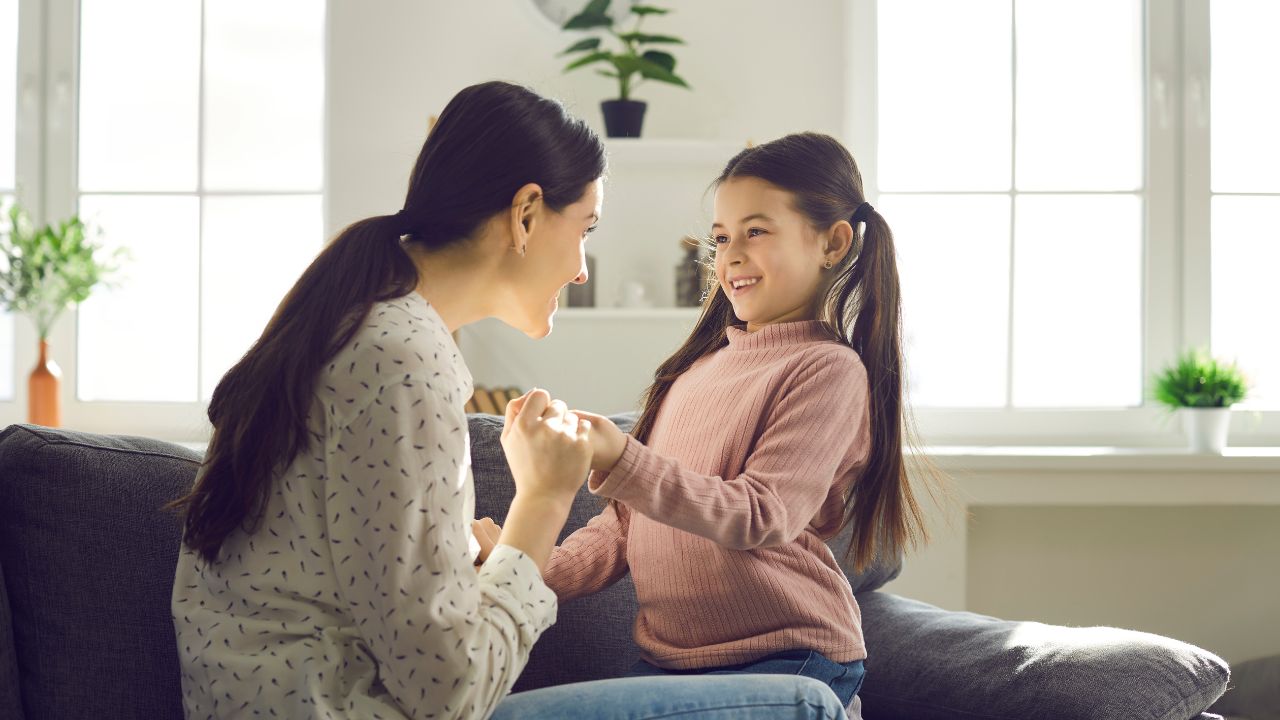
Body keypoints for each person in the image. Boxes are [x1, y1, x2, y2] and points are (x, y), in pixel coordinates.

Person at [168, 81, 848, 720]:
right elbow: (448, 692)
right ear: (526, 214)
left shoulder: (368, 330)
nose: (582, 268)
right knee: (808, 707)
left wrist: (502, 551)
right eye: (584, 229)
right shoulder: (403, 360)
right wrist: (542, 500)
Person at [538, 132, 930, 709]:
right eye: (721, 237)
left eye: (756, 231)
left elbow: (761, 514)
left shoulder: (827, 368)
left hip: (787, 655)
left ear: (833, 242)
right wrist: (522, 574)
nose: (731, 255)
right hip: (666, 662)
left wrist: (623, 458)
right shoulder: (695, 371)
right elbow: (623, 527)